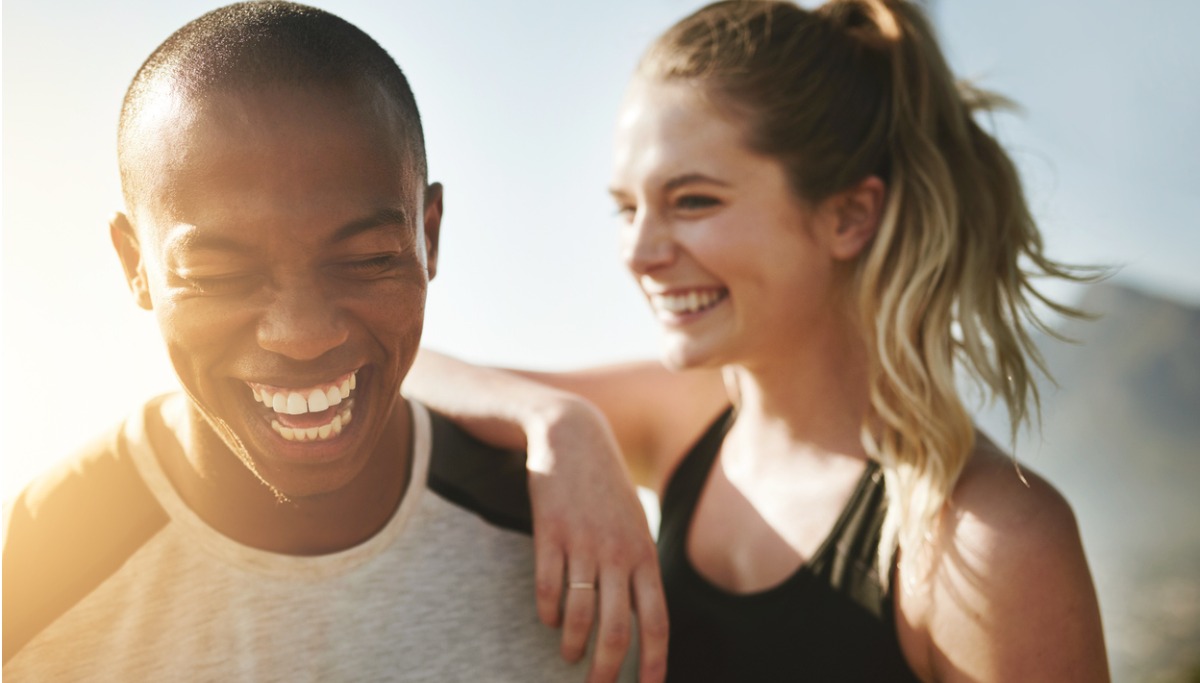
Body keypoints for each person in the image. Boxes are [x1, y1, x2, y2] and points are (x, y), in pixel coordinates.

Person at [406, 0, 1111, 680]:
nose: (639, 250)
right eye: (627, 208)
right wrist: (553, 419)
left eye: (694, 200)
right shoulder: (687, 417)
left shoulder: (989, 541)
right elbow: (400, 369)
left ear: (849, 216)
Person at [1, 3, 662, 680]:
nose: (303, 334)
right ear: (133, 262)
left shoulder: (572, 553)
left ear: (428, 235)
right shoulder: (34, 570)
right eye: (219, 273)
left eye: (368, 258)